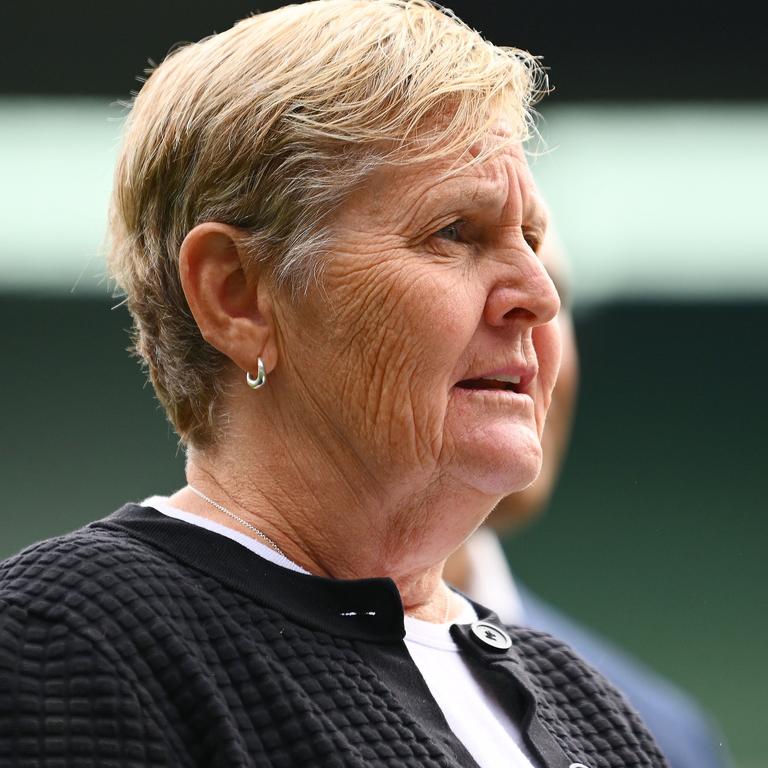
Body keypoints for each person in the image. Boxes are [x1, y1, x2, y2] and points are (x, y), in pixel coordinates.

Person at [0, 2, 667, 766]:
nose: (539, 297)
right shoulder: (69, 636)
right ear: (237, 296)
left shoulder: (590, 708)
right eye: (455, 232)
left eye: (533, 239)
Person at [445, 231, 731, 768]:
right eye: (472, 273)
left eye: (557, 293)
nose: (531, 339)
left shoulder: (665, 737)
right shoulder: (244, 686)